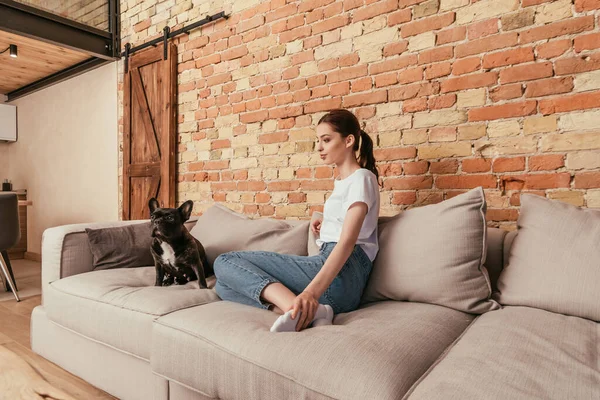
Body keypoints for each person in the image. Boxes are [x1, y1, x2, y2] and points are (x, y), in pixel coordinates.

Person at [213, 109, 381, 332]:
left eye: (326, 140)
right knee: (224, 287)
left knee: (225, 262)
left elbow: (347, 244)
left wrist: (310, 294)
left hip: (343, 274)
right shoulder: (344, 183)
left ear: (349, 140)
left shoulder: (361, 178)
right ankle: (312, 313)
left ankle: (296, 308)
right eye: (318, 141)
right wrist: (326, 222)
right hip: (340, 287)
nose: (319, 147)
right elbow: (351, 226)